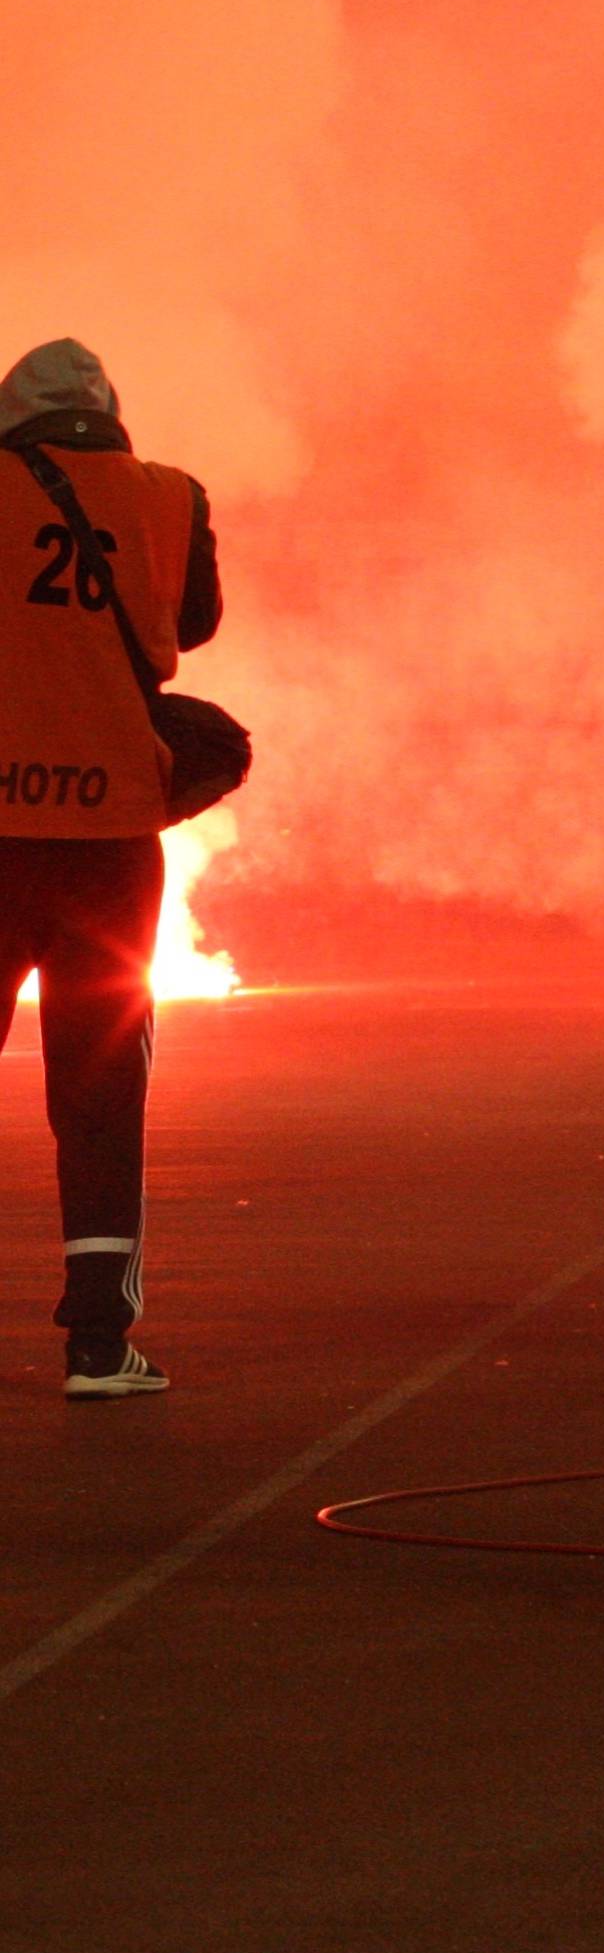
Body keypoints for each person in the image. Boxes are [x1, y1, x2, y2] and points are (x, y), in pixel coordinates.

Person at [0, 339, 223, 1397]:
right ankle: (98, 1341)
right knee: (98, 1096)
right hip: (109, 841)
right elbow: (197, 623)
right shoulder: (169, 497)